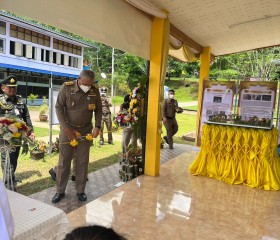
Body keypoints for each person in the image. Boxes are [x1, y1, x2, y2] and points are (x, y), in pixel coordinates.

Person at [52, 70, 102, 203]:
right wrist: (65, 128)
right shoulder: (67, 87)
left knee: (82, 161)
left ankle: (80, 190)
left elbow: (98, 110)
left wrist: (97, 126)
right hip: (68, 130)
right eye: (86, 84)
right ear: (79, 80)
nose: (88, 87)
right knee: (64, 161)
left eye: (90, 85)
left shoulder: (94, 90)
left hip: (86, 131)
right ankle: (60, 191)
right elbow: (58, 107)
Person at [0, 75, 35, 190]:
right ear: (3, 87)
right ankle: (9, 185)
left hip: (18, 136)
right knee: (7, 159)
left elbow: (26, 116)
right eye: (9, 87)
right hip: (5, 136)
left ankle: (11, 178)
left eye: (14, 87)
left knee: (14, 158)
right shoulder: (1, 101)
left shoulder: (20, 100)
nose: (12, 90)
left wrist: (31, 131)